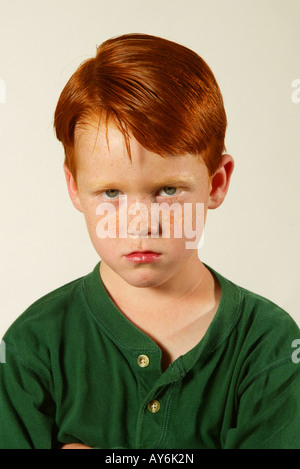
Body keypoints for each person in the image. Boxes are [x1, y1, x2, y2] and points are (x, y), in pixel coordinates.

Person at [0, 33, 299, 449]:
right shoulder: (33, 345)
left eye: (168, 191)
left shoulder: (271, 344)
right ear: (74, 188)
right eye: (110, 194)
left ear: (216, 182)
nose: (139, 225)